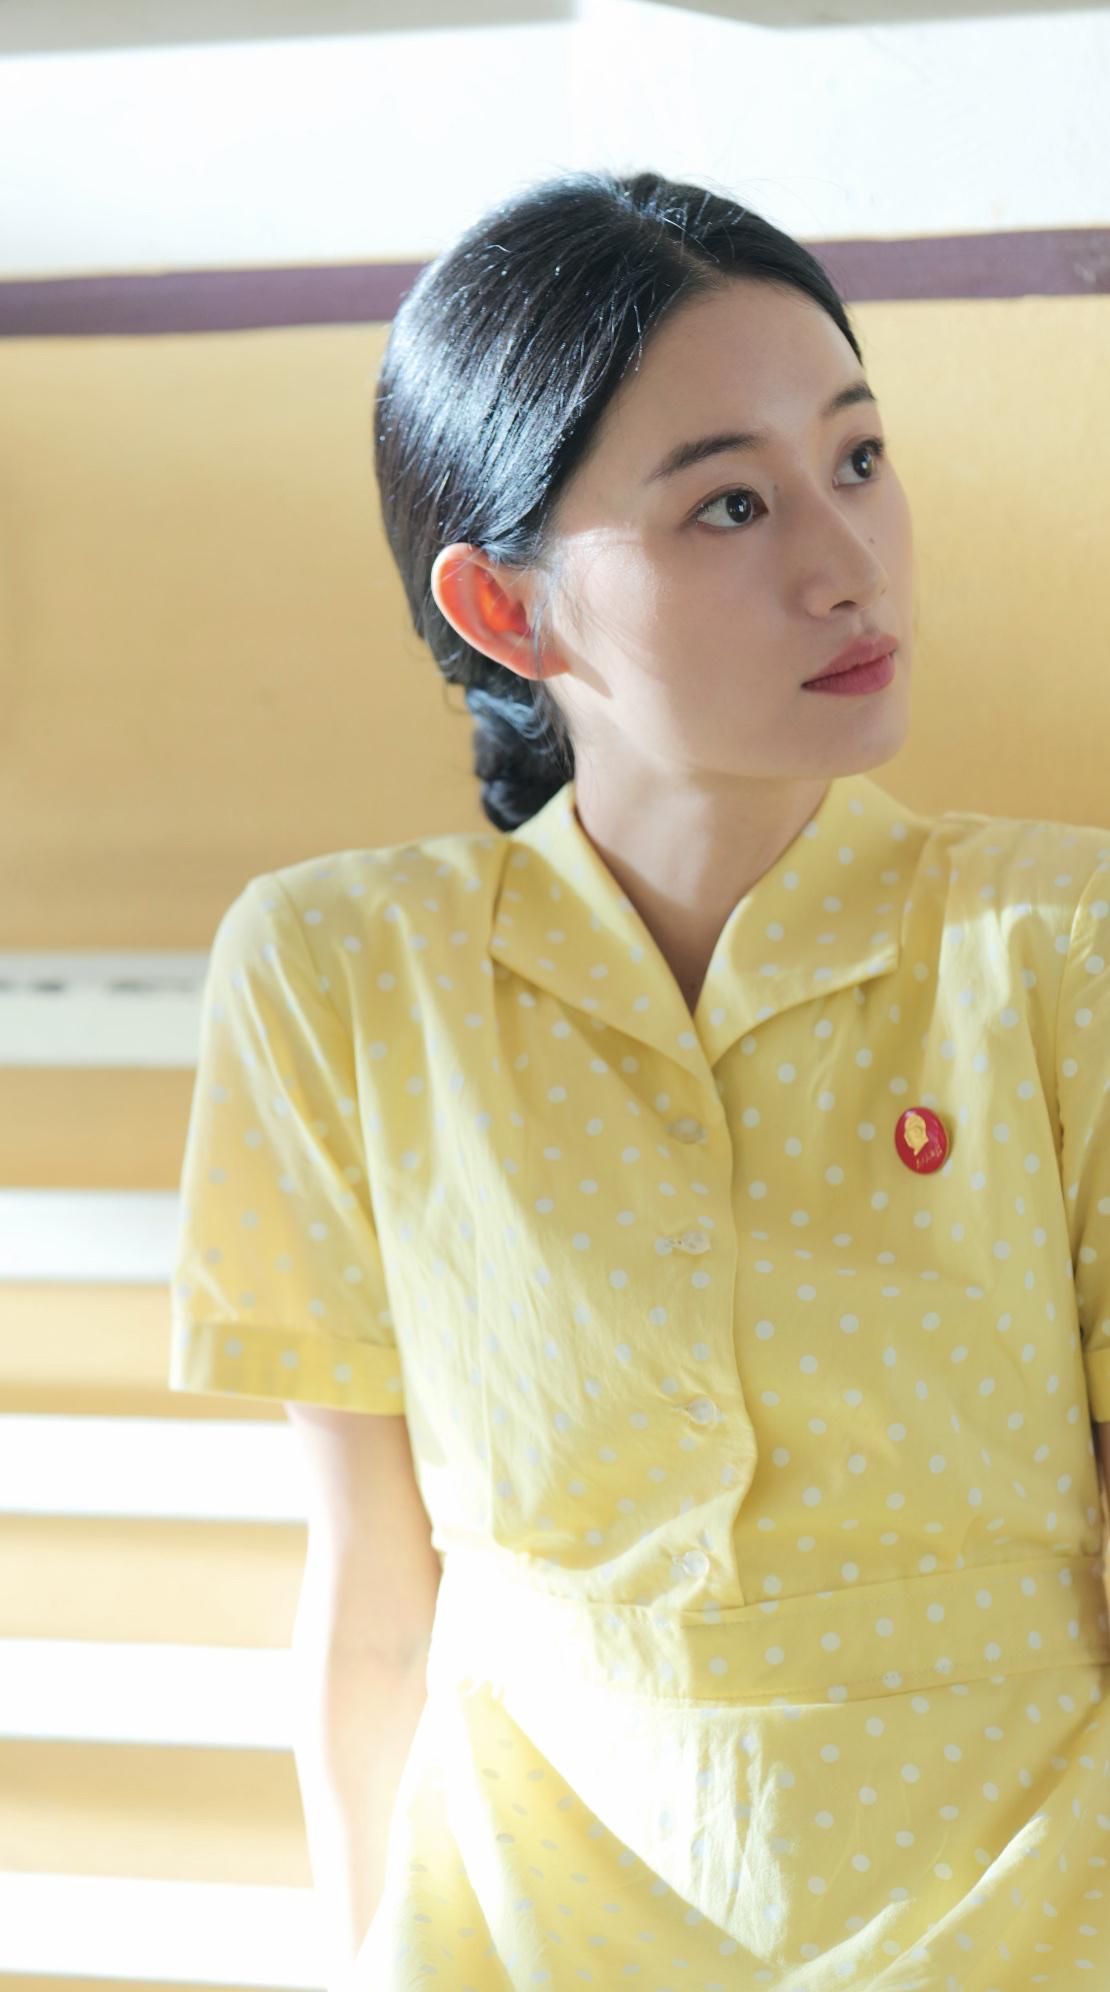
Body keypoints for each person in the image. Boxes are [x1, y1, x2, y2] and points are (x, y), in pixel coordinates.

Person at [170, 168, 1110, 1988]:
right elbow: (373, 1597)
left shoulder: (1061, 945)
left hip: (1031, 1896)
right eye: (728, 504)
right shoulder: (341, 971)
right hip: (521, 1912)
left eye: (857, 459)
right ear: (503, 609)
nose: (846, 563)